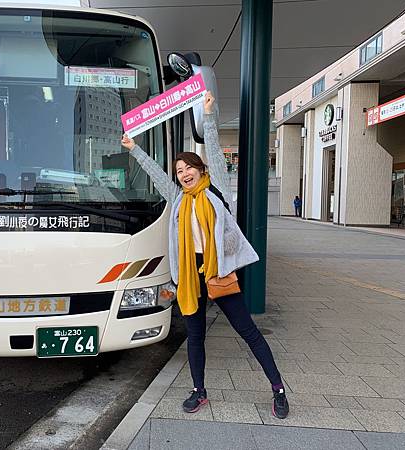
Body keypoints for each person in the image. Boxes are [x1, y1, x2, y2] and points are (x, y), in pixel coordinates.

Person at [121, 91, 289, 419]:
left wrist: (209, 117)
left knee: (247, 330)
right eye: (179, 170)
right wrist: (135, 150)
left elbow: (212, 147)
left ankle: (278, 388)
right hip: (190, 274)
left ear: (200, 169)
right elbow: (157, 175)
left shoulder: (217, 191)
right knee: (195, 337)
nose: (183, 173)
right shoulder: (179, 198)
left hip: (218, 270)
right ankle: (199, 391)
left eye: (188, 168)